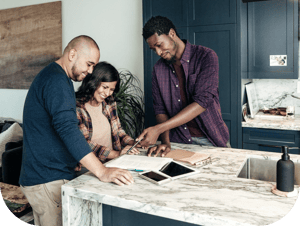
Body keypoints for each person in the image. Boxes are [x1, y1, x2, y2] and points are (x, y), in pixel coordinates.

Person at [19, 35, 133, 226]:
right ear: (72, 54)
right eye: (89, 64)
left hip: (43, 178)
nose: (90, 72)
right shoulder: (57, 81)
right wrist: (102, 171)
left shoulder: (54, 77)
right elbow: (68, 130)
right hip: (48, 179)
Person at [137, 16, 230, 156]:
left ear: (172, 34)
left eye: (159, 45)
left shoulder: (206, 56)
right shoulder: (158, 69)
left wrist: (158, 129)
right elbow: (160, 110)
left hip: (212, 140)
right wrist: (166, 143)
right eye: (153, 49)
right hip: (178, 142)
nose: (158, 52)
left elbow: (202, 102)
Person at [75, 61, 140, 167]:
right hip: (88, 168)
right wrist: (117, 154)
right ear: (93, 82)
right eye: (105, 87)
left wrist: (132, 143)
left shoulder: (109, 103)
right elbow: (84, 144)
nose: (107, 93)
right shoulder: (76, 108)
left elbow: (118, 131)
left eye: (111, 90)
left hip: (113, 163)